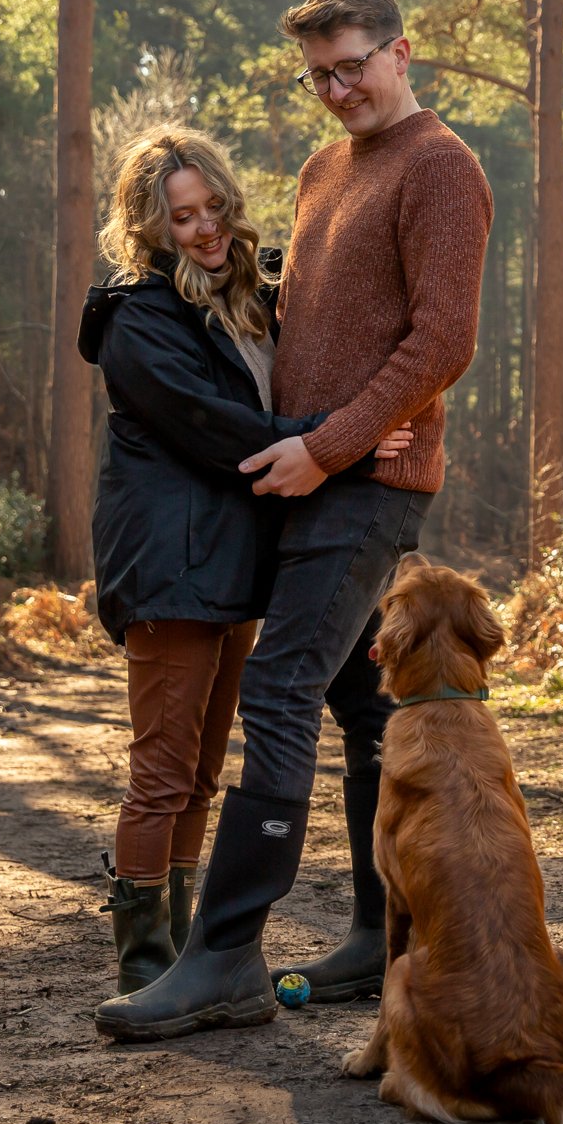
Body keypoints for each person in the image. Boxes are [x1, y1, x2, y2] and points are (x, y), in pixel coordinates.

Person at [96, 0, 492, 1041]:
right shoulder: (327, 167)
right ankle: (381, 932)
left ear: (399, 52)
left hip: (359, 487)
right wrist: (320, 435)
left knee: (275, 691)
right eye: (318, 72)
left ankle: (222, 954)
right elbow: (292, 329)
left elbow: (441, 339)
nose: (337, 86)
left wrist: (333, 442)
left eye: (353, 64)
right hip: (324, 472)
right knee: (362, 710)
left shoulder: (442, 169)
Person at [77, 126, 414, 994]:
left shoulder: (245, 297)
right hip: (168, 568)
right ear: (149, 227)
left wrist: (369, 415)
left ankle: (184, 954)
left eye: (212, 207)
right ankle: (145, 959)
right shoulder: (139, 318)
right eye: (181, 216)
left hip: (228, 565)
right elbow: (219, 429)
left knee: (200, 772)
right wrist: (352, 437)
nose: (203, 228)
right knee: (161, 772)